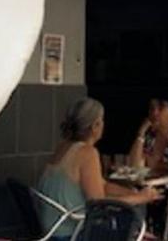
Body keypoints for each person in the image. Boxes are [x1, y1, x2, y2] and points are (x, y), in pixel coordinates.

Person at [38, 98, 160, 240]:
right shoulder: (88, 153)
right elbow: (99, 204)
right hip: (71, 232)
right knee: (133, 217)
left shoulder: (64, 147)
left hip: (51, 228)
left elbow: (101, 184)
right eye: (101, 120)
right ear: (95, 126)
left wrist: (133, 192)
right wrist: (140, 198)